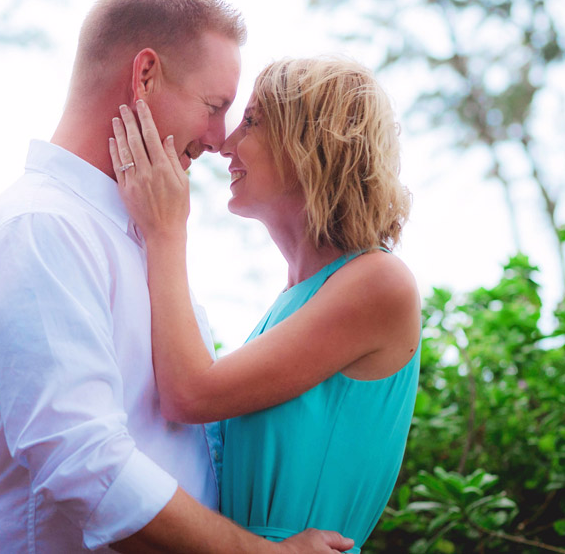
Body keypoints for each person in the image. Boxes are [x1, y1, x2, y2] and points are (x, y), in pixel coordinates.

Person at [0, 0, 354, 553]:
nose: (218, 140)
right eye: (215, 107)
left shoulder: (131, 235)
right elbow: (85, 466)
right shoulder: (41, 229)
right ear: (145, 76)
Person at [108, 57, 421, 554]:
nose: (226, 144)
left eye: (251, 121)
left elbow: (188, 394)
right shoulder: (295, 300)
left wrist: (165, 230)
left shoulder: (378, 283)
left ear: (311, 142)